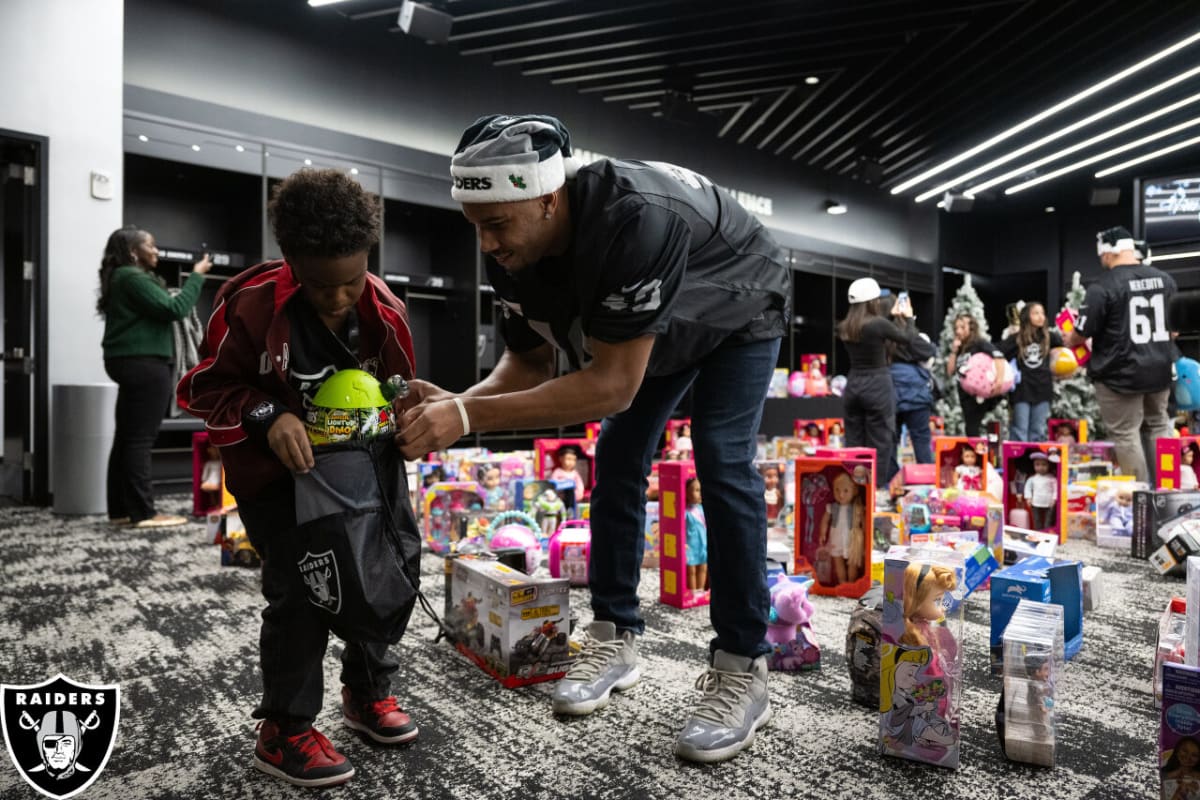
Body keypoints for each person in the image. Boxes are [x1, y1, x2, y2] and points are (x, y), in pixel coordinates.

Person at [398, 114, 791, 763]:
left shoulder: (632, 219)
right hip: (657, 325)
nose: (487, 243)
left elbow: (610, 386)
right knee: (618, 455)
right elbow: (525, 368)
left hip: (738, 303)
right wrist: (459, 405)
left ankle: (742, 664)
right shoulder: (512, 250)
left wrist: (466, 422)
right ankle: (614, 633)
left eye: (497, 224)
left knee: (721, 460)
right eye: (476, 225)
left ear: (547, 197)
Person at [178, 169, 419, 788]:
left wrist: (410, 426)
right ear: (289, 261)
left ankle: (367, 693)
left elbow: (402, 395)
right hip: (276, 483)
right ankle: (284, 728)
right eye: (320, 285)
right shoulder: (248, 302)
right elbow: (202, 387)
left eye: (351, 280)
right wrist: (268, 414)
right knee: (301, 596)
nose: (339, 298)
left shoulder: (385, 311)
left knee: (377, 573)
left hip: (362, 478)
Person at [98, 226, 211, 528]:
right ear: (134, 252)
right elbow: (174, 308)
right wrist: (197, 275)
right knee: (139, 440)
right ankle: (144, 512)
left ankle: (120, 510)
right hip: (145, 364)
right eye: (151, 245)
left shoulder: (123, 277)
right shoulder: (132, 277)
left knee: (126, 439)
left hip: (130, 362)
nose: (157, 251)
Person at [1067, 226, 1176, 482]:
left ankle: (1139, 500)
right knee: (1158, 427)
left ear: (1107, 252)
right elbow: (1175, 331)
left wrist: (1069, 337)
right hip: (1160, 369)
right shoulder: (1166, 280)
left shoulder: (1103, 286)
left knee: (1126, 434)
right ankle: (1167, 494)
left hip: (1119, 374)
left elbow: (1083, 332)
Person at [838, 279, 936, 491]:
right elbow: (907, 338)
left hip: (853, 384)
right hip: (877, 385)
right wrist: (908, 318)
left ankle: (854, 489)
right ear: (872, 300)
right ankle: (878, 490)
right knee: (881, 441)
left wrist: (891, 316)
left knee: (854, 440)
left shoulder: (846, 326)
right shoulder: (877, 324)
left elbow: (877, 331)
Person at [880, 292, 936, 473]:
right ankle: (927, 483)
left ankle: (891, 484)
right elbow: (929, 351)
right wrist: (910, 320)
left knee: (889, 441)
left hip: (889, 392)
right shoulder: (910, 334)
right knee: (920, 440)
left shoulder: (880, 335)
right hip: (916, 394)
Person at [997, 302, 1063, 442]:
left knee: (1037, 431)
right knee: (1020, 429)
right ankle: (1018, 461)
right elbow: (998, 352)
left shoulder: (1050, 337)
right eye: (1036, 313)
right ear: (1027, 316)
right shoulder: (1017, 338)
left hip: (1043, 389)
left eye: (1042, 313)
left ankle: (1035, 462)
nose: (1040, 317)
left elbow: (1066, 348)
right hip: (1022, 390)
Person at [945, 312, 1005, 437]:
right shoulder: (960, 348)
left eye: (962, 327)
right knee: (970, 427)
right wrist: (954, 351)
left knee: (973, 428)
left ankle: (977, 453)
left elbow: (998, 356)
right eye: (956, 328)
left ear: (971, 328)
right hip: (964, 394)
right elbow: (950, 371)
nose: (958, 331)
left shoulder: (979, 343)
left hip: (979, 394)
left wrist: (999, 380)